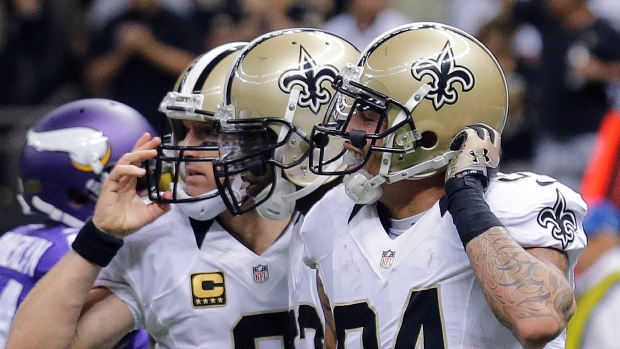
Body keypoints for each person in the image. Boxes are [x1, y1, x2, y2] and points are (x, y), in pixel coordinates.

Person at [5, 28, 358, 348]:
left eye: (209, 132)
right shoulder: (158, 237)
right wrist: (98, 237)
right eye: (182, 129)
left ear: (270, 139)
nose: (186, 148)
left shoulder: (340, 219)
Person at [299, 22, 587, 348]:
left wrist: (465, 196)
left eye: (367, 115)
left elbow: (538, 320)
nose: (347, 131)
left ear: (428, 135)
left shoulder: (515, 203)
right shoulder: (329, 217)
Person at [0, 98, 156, 349]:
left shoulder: (13, 238)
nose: (149, 192)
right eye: (133, 182)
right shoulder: (82, 255)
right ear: (77, 195)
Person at [500, 0, 620, 191]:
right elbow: (508, 6)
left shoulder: (603, 31)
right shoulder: (548, 20)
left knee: (591, 200)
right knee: (547, 201)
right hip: (551, 134)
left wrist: (600, 70)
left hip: (590, 136)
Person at [83, 0, 199, 135]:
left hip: (170, 118)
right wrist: (123, 51)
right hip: (125, 118)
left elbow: (193, 68)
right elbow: (93, 76)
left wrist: (147, 46)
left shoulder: (177, 22)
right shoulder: (114, 24)